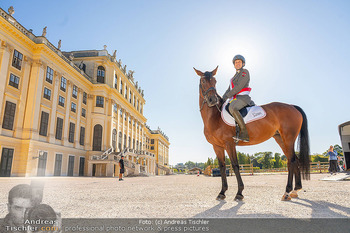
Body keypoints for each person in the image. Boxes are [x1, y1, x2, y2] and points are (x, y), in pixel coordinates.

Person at [222, 55, 255, 142]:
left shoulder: (245, 72)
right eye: (236, 62)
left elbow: (238, 87)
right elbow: (228, 89)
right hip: (234, 98)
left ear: (243, 64)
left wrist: (227, 96)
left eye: (239, 62)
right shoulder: (233, 78)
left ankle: (244, 133)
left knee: (232, 107)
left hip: (243, 98)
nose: (237, 64)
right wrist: (222, 98)